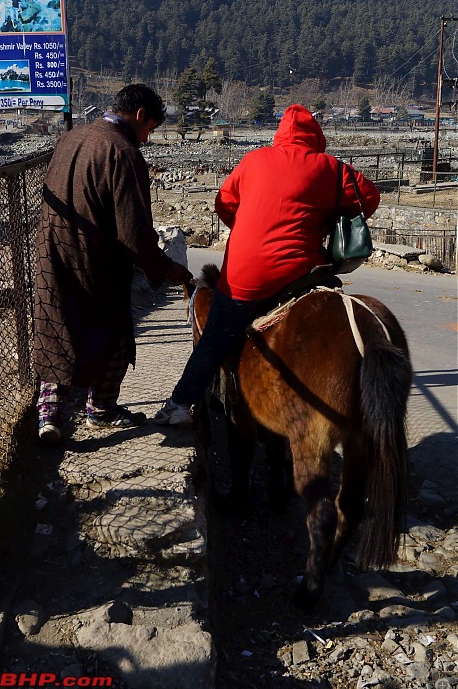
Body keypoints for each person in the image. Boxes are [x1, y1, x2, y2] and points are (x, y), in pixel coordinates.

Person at [154, 103, 380, 426]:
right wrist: (327, 216)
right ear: (316, 138)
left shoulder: (253, 160)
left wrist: (251, 225)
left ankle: (179, 403)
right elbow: (369, 197)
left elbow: (223, 204)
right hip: (302, 274)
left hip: (246, 277)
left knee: (215, 338)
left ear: (279, 135)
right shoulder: (332, 168)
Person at [34, 84, 193, 443]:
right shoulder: (122, 151)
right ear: (139, 116)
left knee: (57, 329)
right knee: (115, 336)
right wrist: (167, 268)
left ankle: (49, 417)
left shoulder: (71, 138)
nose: (148, 138)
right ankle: (101, 409)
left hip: (52, 251)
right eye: (150, 128)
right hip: (96, 260)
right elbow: (132, 229)